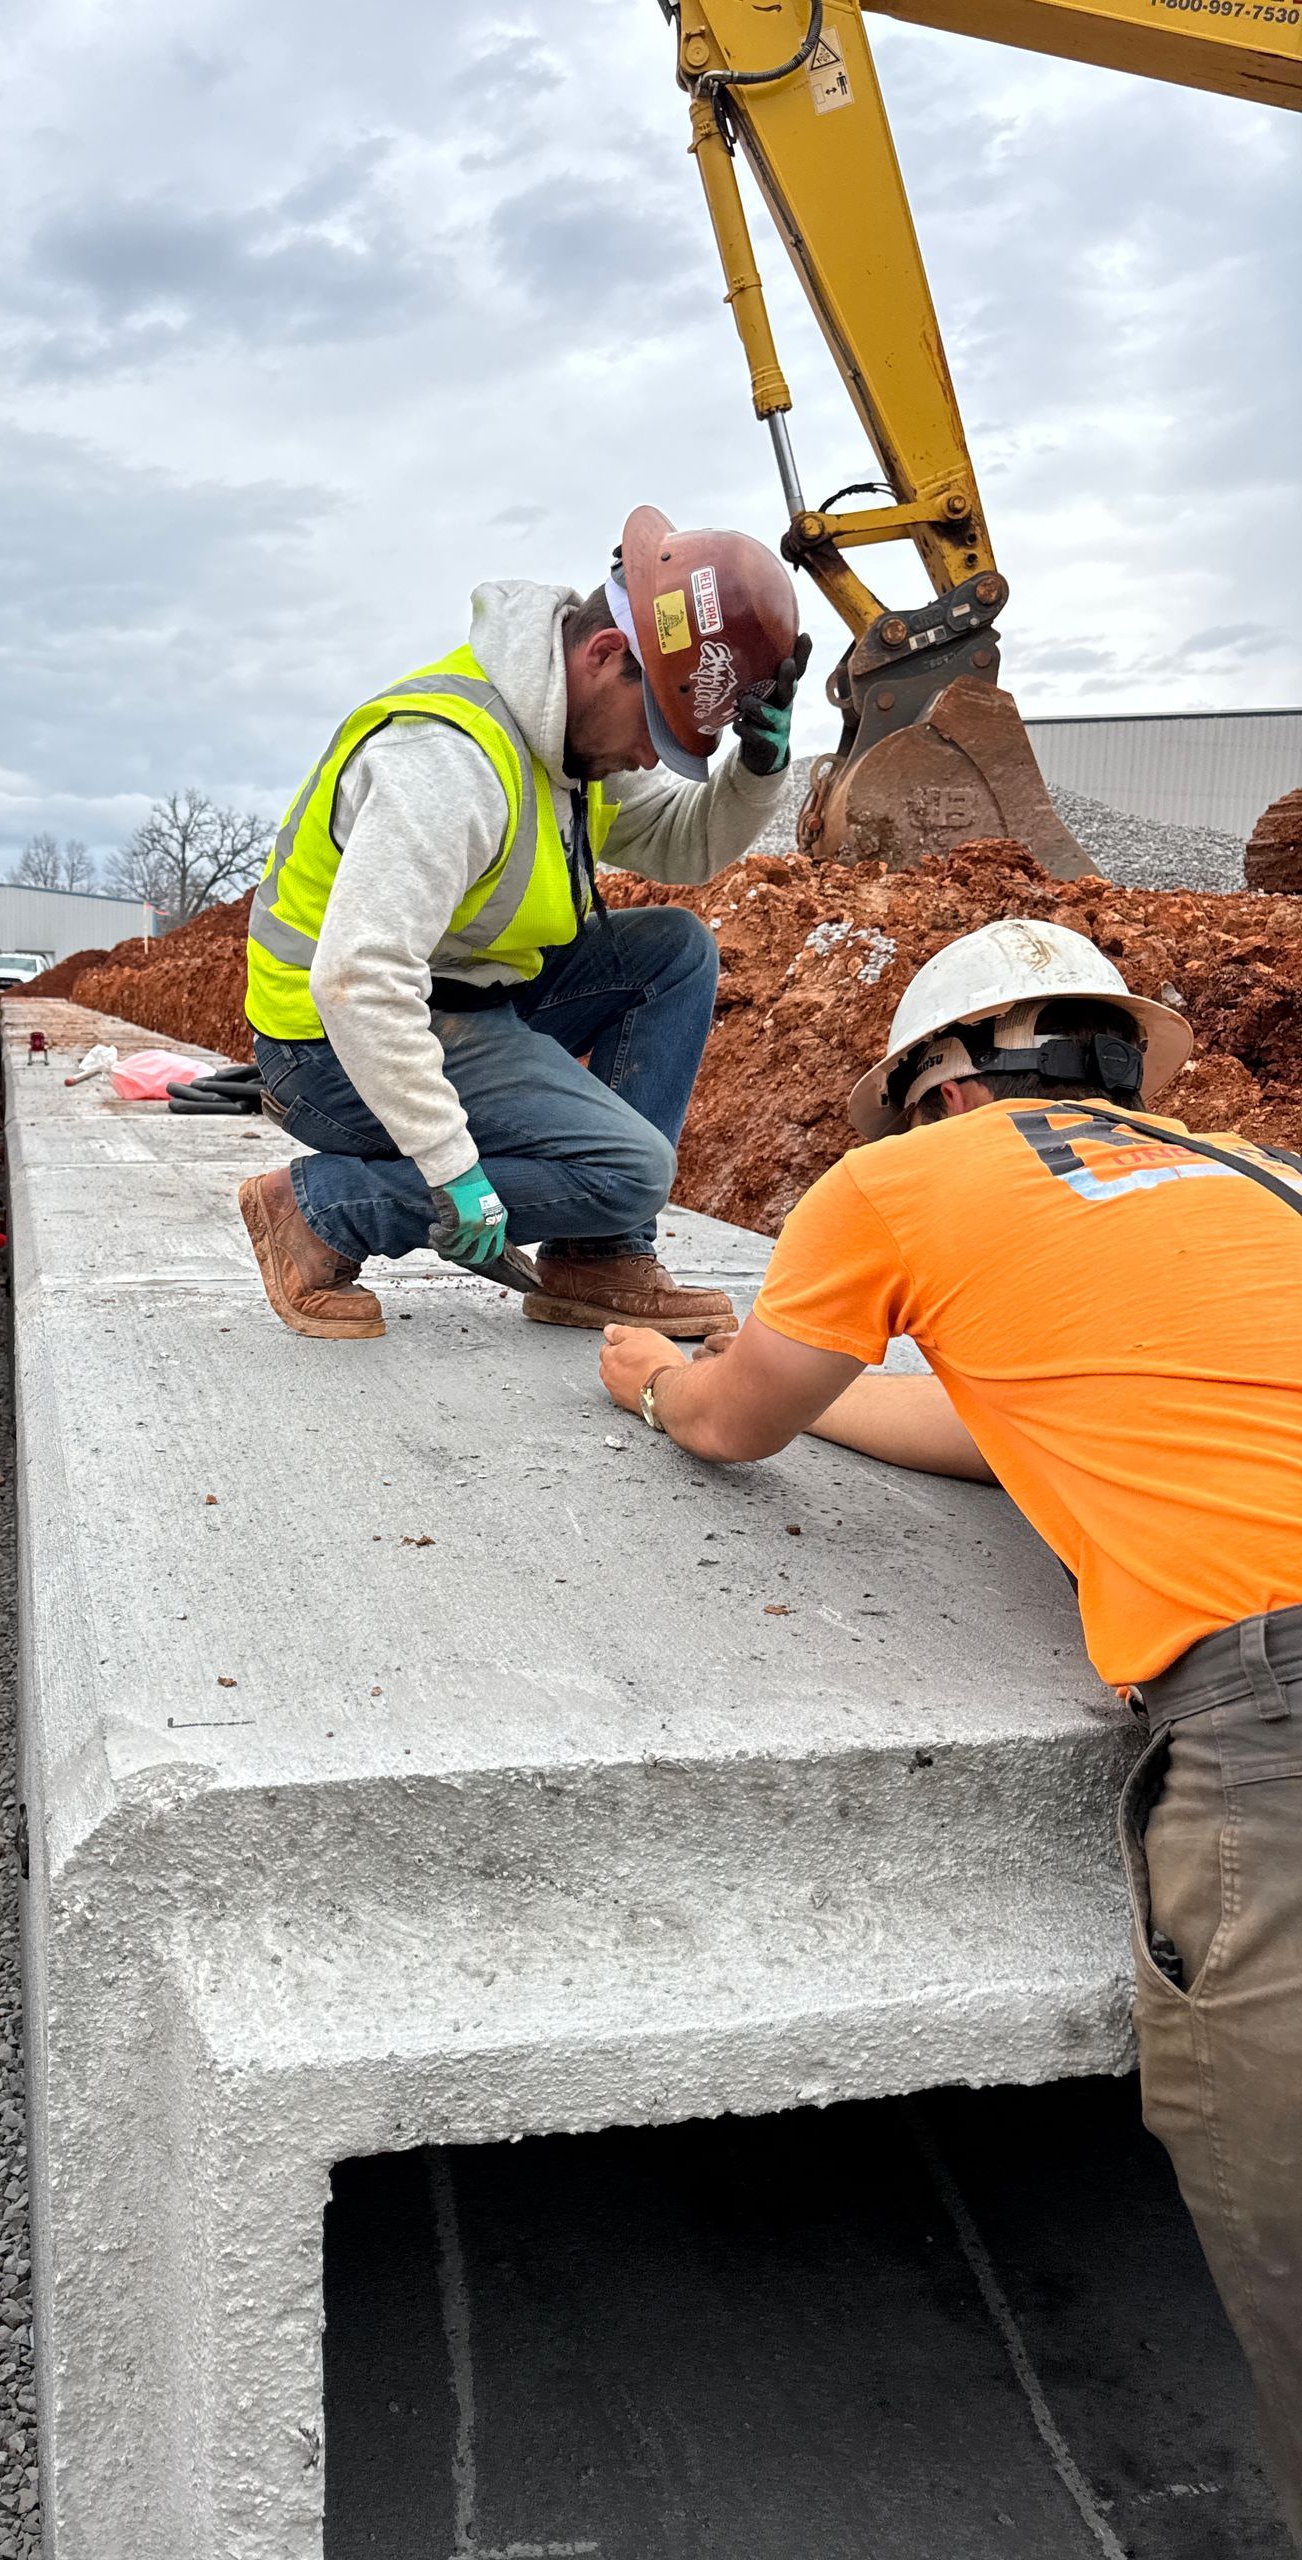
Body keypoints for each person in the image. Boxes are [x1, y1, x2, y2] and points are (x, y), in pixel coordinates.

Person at [598, 916, 1302, 2540]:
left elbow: (729, 1422)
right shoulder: (1263, 1188)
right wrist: (821, 1375)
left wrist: (652, 1374)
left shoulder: (899, 1189)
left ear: (941, 1084)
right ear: (1126, 1065)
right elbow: (1015, 1425)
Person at [238, 505, 810, 1341]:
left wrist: (758, 769)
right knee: (630, 1169)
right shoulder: (448, 762)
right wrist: (451, 1167)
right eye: (656, 730)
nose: (652, 758)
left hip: (462, 1003)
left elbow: (685, 844)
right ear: (606, 654)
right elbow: (357, 978)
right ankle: (322, 1210)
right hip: (328, 1049)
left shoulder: (566, 739)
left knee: (671, 952)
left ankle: (598, 1255)